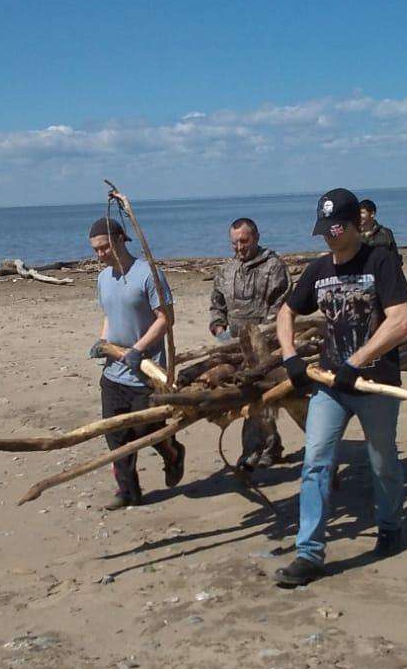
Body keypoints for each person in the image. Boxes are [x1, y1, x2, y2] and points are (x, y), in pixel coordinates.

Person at [274, 188, 407, 586]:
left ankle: (389, 525)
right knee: (315, 462)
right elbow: (286, 311)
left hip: (376, 385)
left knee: (382, 462)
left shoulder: (381, 262)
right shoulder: (319, 270)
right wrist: (290, 357)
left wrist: (357, 362)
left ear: (357, 224)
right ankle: (309, 553)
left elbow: (402, 321)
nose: (329, 237)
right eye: (324, 231)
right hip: (330, 386)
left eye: (336, 229)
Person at [87, 216, 185, 510]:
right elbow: (110, 315)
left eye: (104, 247)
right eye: (95, 250)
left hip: (147, 372)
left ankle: (172, 453)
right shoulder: (104, 278)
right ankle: (128, 491)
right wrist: (103, 343)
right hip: (114, 373)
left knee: (148, 431)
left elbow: (166, 319)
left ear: (119, 240)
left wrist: (138, 350)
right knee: (116, 435)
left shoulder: (147, 274)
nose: (100, 254)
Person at [209, 217, 291, 468]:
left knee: (259, 396)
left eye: (244, 241)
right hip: (231, 347)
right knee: (244, 398)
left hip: (265, 346)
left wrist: (259, 338)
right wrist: (218, 326)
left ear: (255, 237)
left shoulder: (274, 266)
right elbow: (217, 304)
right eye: (234, 243)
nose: (239, 247)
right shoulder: (226, 270)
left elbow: (281, 306)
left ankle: (254, 450)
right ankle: (270, 444)